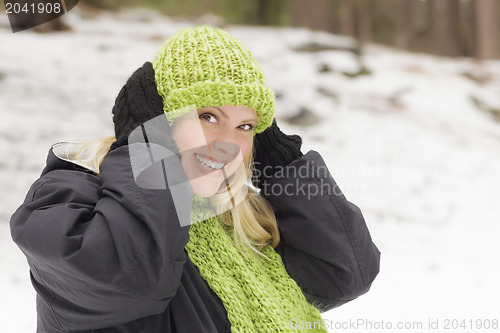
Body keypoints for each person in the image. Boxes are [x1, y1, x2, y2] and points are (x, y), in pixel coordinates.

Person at [10, 26, 380, 333]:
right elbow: (126, 276)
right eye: (208, 116)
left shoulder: (236, 222)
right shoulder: (70, 198)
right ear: (157, 118)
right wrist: (147, 150)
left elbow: (346, 272)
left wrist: (278, 157)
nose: (227, 144)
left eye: (245, 126)